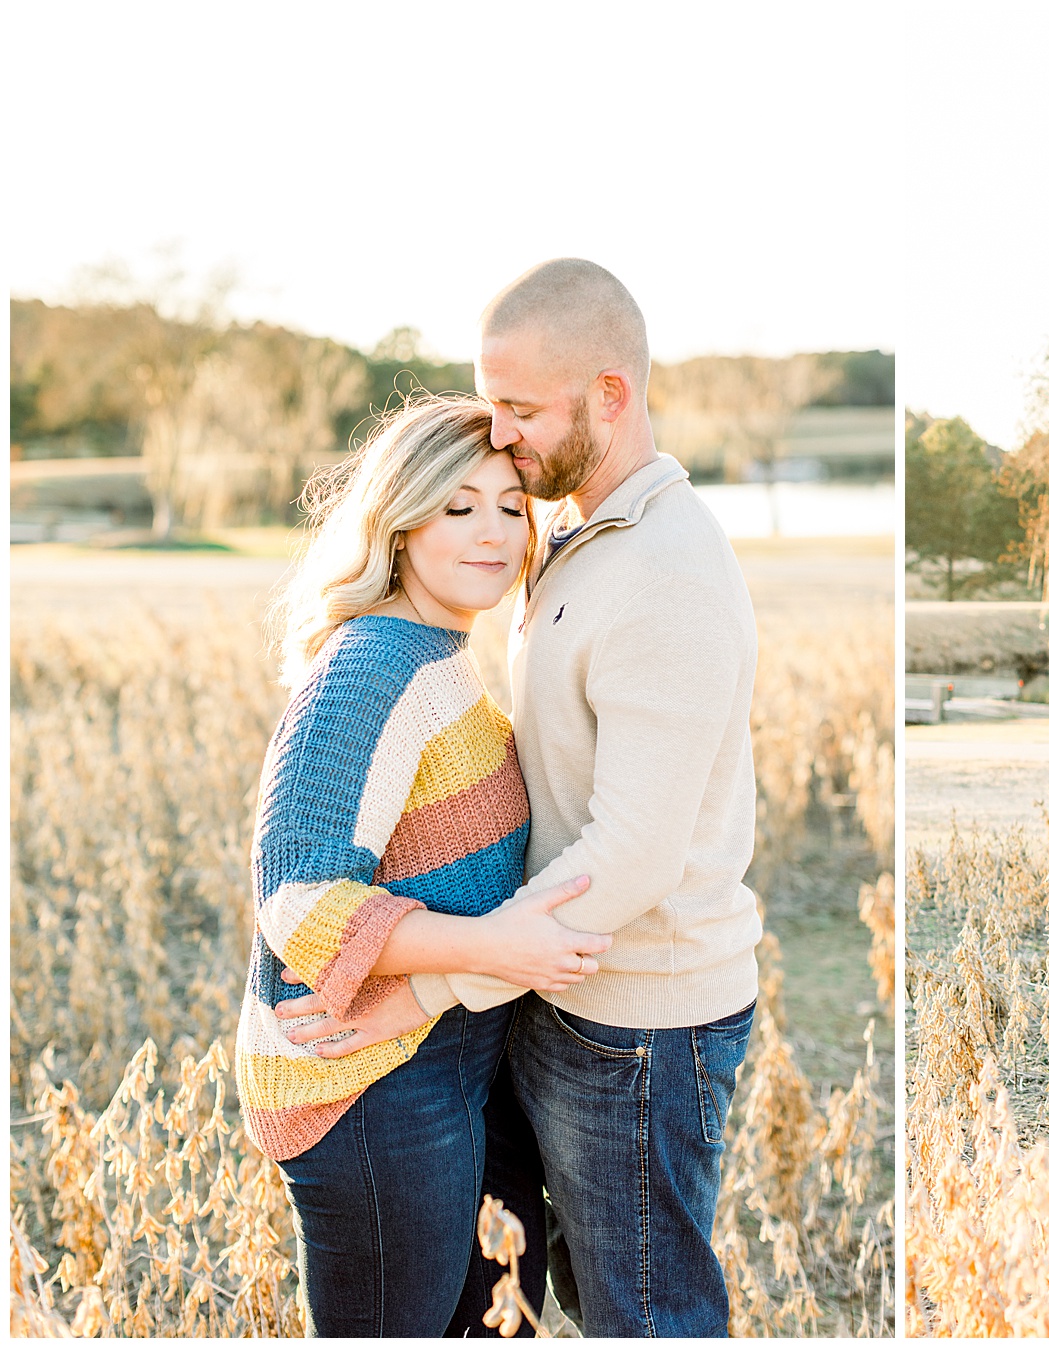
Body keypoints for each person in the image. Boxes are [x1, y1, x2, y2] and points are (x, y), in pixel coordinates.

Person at [278, 259, 762, 1338]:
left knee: (645, 1312)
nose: (500, 435)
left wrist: (436, 982)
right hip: (554, 990)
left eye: (522, 411)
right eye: (489, 404)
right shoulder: (579, 538)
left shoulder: (663, 571)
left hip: (639, 1019)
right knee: (537, 1299)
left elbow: (631, 850)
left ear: (611, 394)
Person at [233, 394, 614, 1337]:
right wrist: (489, 947)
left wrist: (463, 971)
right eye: (458, 507)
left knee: (497, 1321)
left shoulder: (441, 656)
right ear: (399, 524)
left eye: (510, 507)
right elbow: (300, 896)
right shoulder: (372, 666)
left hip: (446, 1052)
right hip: (366, 1083)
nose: (492, 533)